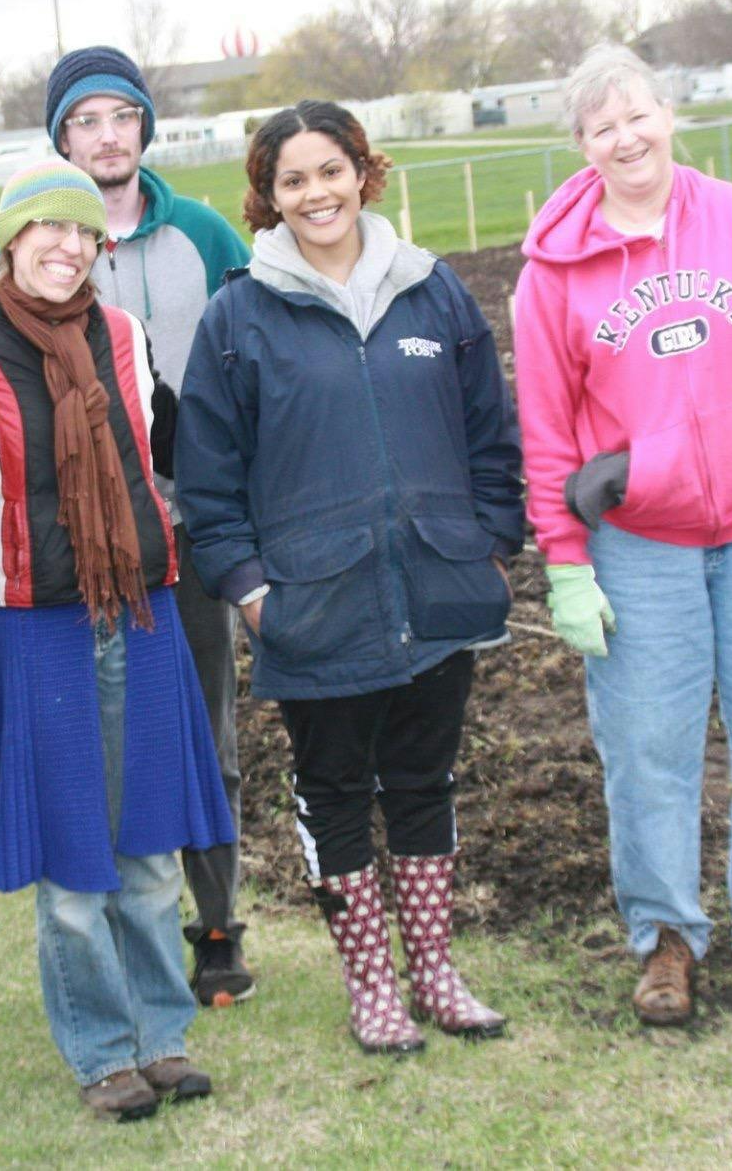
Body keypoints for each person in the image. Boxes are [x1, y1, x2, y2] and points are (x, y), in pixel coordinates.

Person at [510, 44, 732, 1028]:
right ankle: (666, 937)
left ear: (670, 114)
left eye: (637, 116)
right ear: (579, 145)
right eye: (599, 127)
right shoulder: (552, 270)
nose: (624, 138)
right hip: (637, 539)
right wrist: (565, 566)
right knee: (647, 747)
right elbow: (544, 431)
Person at [176, 100, 523, 1056]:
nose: (315, 192)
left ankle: (439, 975)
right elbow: (209, 482)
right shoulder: (239, 318)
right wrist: (252, 590)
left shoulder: (433, 292)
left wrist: (490, 545)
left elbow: (492, 433)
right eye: (293, 179)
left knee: (424, 779)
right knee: (333, 788)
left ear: (363, 172)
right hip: (314, 604)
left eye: (330, 170)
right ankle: (374, 987)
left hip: (440, 586)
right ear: (269, 197)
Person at [0, 45, 257, 1008]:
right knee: (86, 778)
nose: (107, 135)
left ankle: (216, 930)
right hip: (50, 577)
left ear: (145, 128)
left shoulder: (197, 239)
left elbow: (249, 359)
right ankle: (105, 988)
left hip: (177, 542)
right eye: (85, 122)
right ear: (60, 142)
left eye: (122, 117)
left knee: (196, 743)